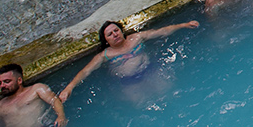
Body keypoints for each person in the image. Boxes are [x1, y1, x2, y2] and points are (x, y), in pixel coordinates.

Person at [58, 19, 199, 102]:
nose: (115, 34)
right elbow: (85, 71)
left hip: (151, 71)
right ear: (106, 40)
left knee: (169, 94)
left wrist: (184, 25)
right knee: (142, 105)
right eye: (110, 34)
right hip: (130, 82)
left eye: (116, 31)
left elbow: (161, 31)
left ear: (121, 30)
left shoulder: (136, 38)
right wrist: (69, 88)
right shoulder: (105, 56)